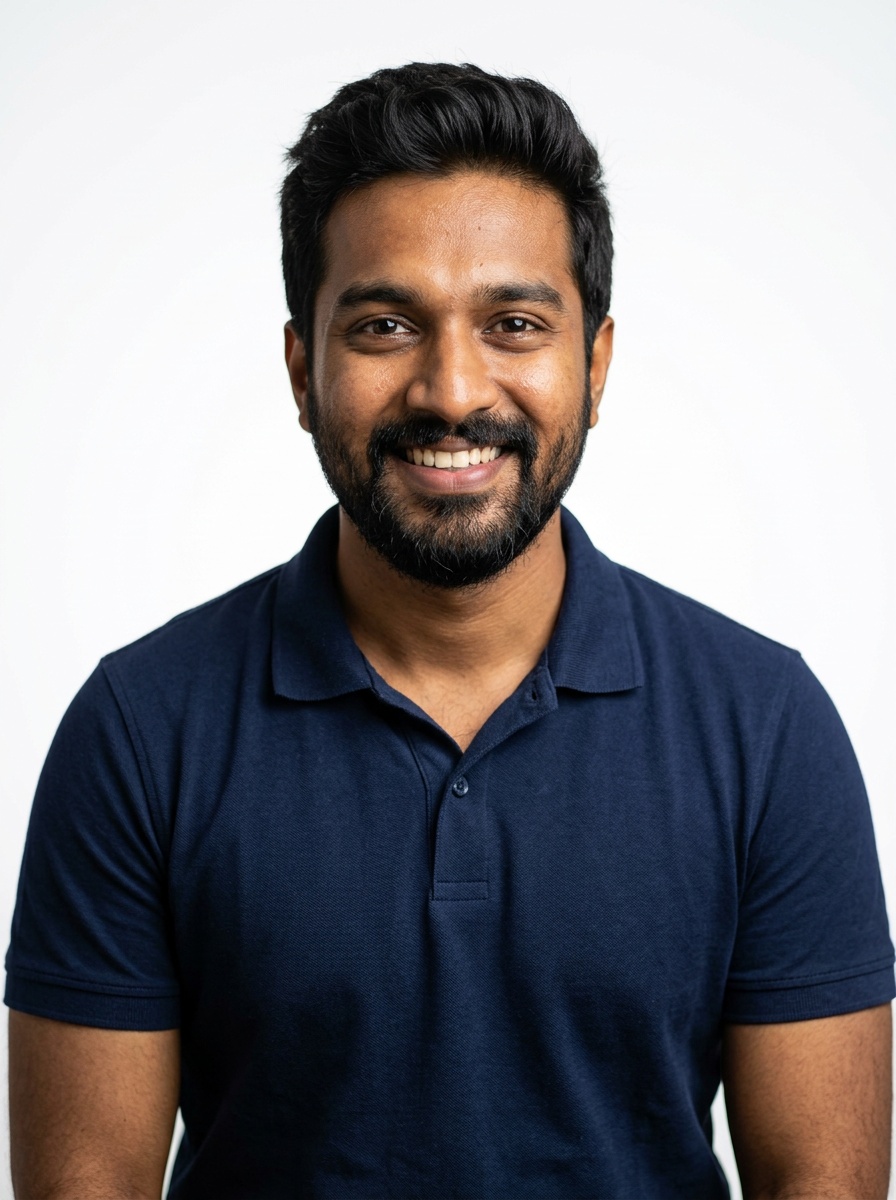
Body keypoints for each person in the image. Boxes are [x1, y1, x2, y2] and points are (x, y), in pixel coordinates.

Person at [5, 61, 893, 1200]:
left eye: (514, 323)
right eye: (384, 324)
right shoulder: (139, 730)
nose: (451, 389)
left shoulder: (764, 729)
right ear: (300, 367)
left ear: (596, 362)